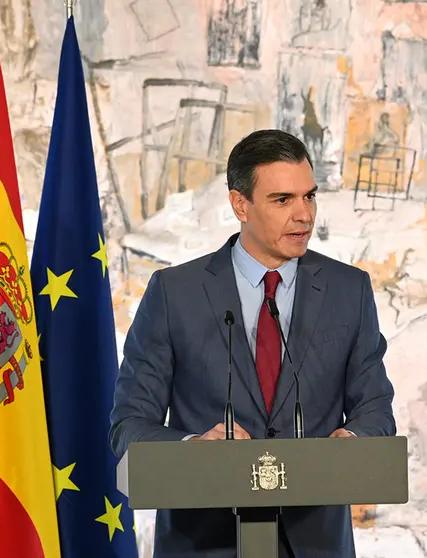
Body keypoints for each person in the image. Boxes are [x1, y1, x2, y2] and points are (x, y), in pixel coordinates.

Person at [110, 129, 396, 557]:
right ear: (240, 204)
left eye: (309, 197)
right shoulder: (174, 293)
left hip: (315, 543)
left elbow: (375, 407)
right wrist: (193, 451)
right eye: (283, 200)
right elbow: (129, 424)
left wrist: (352, 440)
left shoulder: (348, 290)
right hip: (204, 542)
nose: (303, 216)